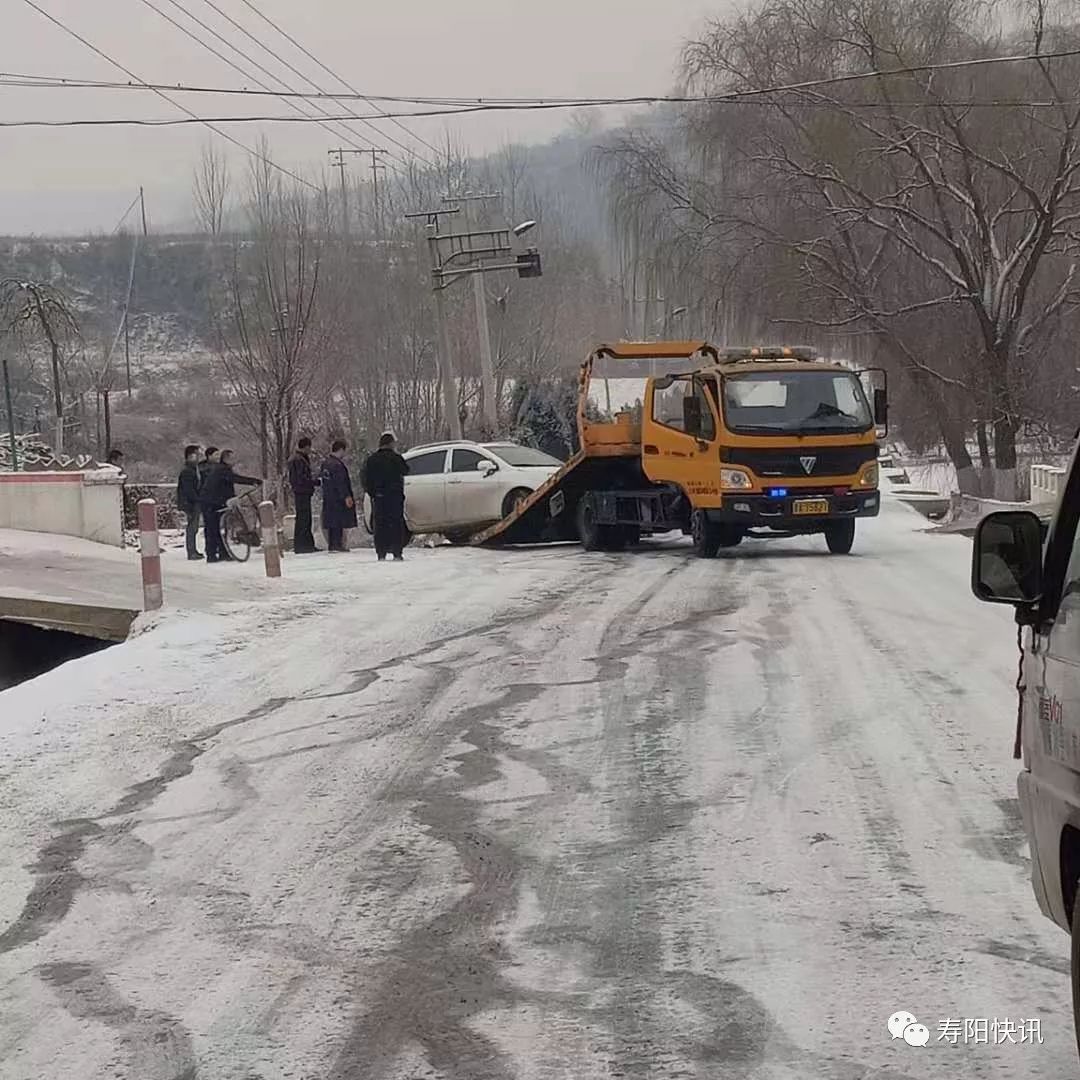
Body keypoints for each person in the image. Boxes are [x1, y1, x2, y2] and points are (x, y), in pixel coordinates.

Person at [200, 449, 259, 563]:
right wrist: (253, 481)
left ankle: (222, 553)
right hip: (211, 502)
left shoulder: (221, 469)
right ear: (226, 459)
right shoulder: (222, 470)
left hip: (215, 502)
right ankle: (212, 555)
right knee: (212, 529)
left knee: (217, 528)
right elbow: (235, 478)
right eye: (231, 458)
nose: (234, 460)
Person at [362, 431, 410, 561]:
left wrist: (373, 493)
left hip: (379, 497)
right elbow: (406, 470)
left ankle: (381, 553)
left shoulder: (372, 460)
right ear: (390, 444)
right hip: (395, 497)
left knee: (380, 525)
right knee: (396, 524)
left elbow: (365, 479)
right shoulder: (396, 458)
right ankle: (397, 552)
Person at [320, 439, 357, 553]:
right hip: (338, 498)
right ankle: (337, 544)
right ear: (340, 450)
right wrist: (346, 496)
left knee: (331, 521)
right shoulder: (337, 465)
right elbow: (341, 482)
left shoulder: (326, 463)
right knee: (338, 521)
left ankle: (332, 544)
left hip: (328, 496)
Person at [288, 436, 320, 554]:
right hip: (302, 492)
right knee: (304, 519)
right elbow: (302, 478)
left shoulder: (297, 458)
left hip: (301, 491)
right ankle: (304, 545)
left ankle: (304, 544)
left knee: (303, 518)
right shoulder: (299, 460)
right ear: (306, 447)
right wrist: (315, 482)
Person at [176, 444, 204, 561]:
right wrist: (196, 500)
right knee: (192, 527)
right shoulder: (188, 472)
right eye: (196, 454)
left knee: (194, 527)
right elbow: (189, 490)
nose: (198, 457)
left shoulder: (193, 470)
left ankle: (193, 550)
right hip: (190, 503)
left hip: (192, 502)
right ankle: (191, 551)